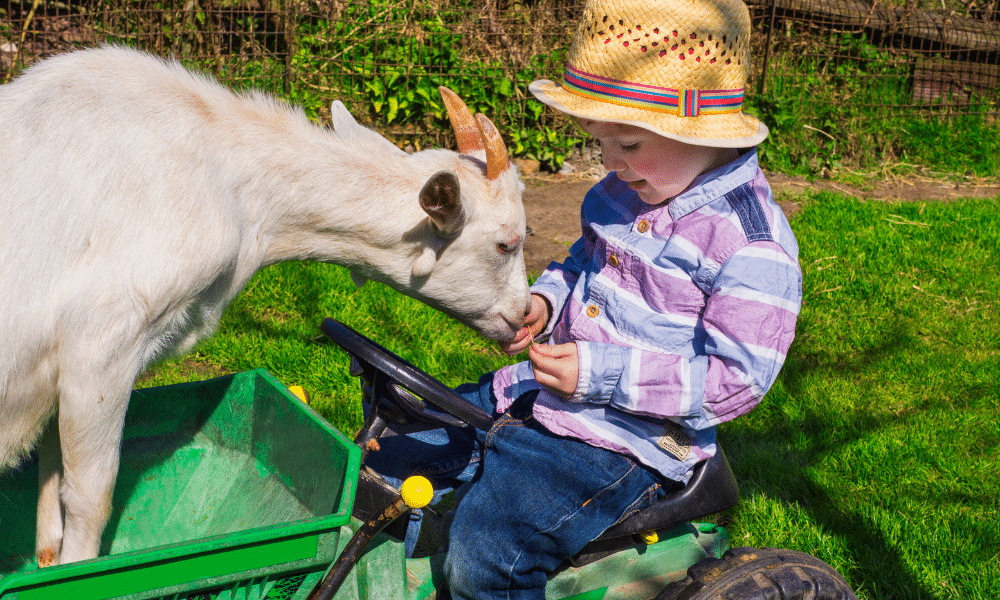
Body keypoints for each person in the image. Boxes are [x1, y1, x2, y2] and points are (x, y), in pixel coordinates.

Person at [365, 0, 802, 598]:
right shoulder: (626, 194)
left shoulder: (751, 246)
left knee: (490, 552)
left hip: (630, 444)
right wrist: (546, 302)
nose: (609, 163)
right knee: (388, 460)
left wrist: (598, 373)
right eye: (602, 144)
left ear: (696, 133)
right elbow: (581, 266)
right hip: (538, 397)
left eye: (627, 144)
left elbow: (735, 379)